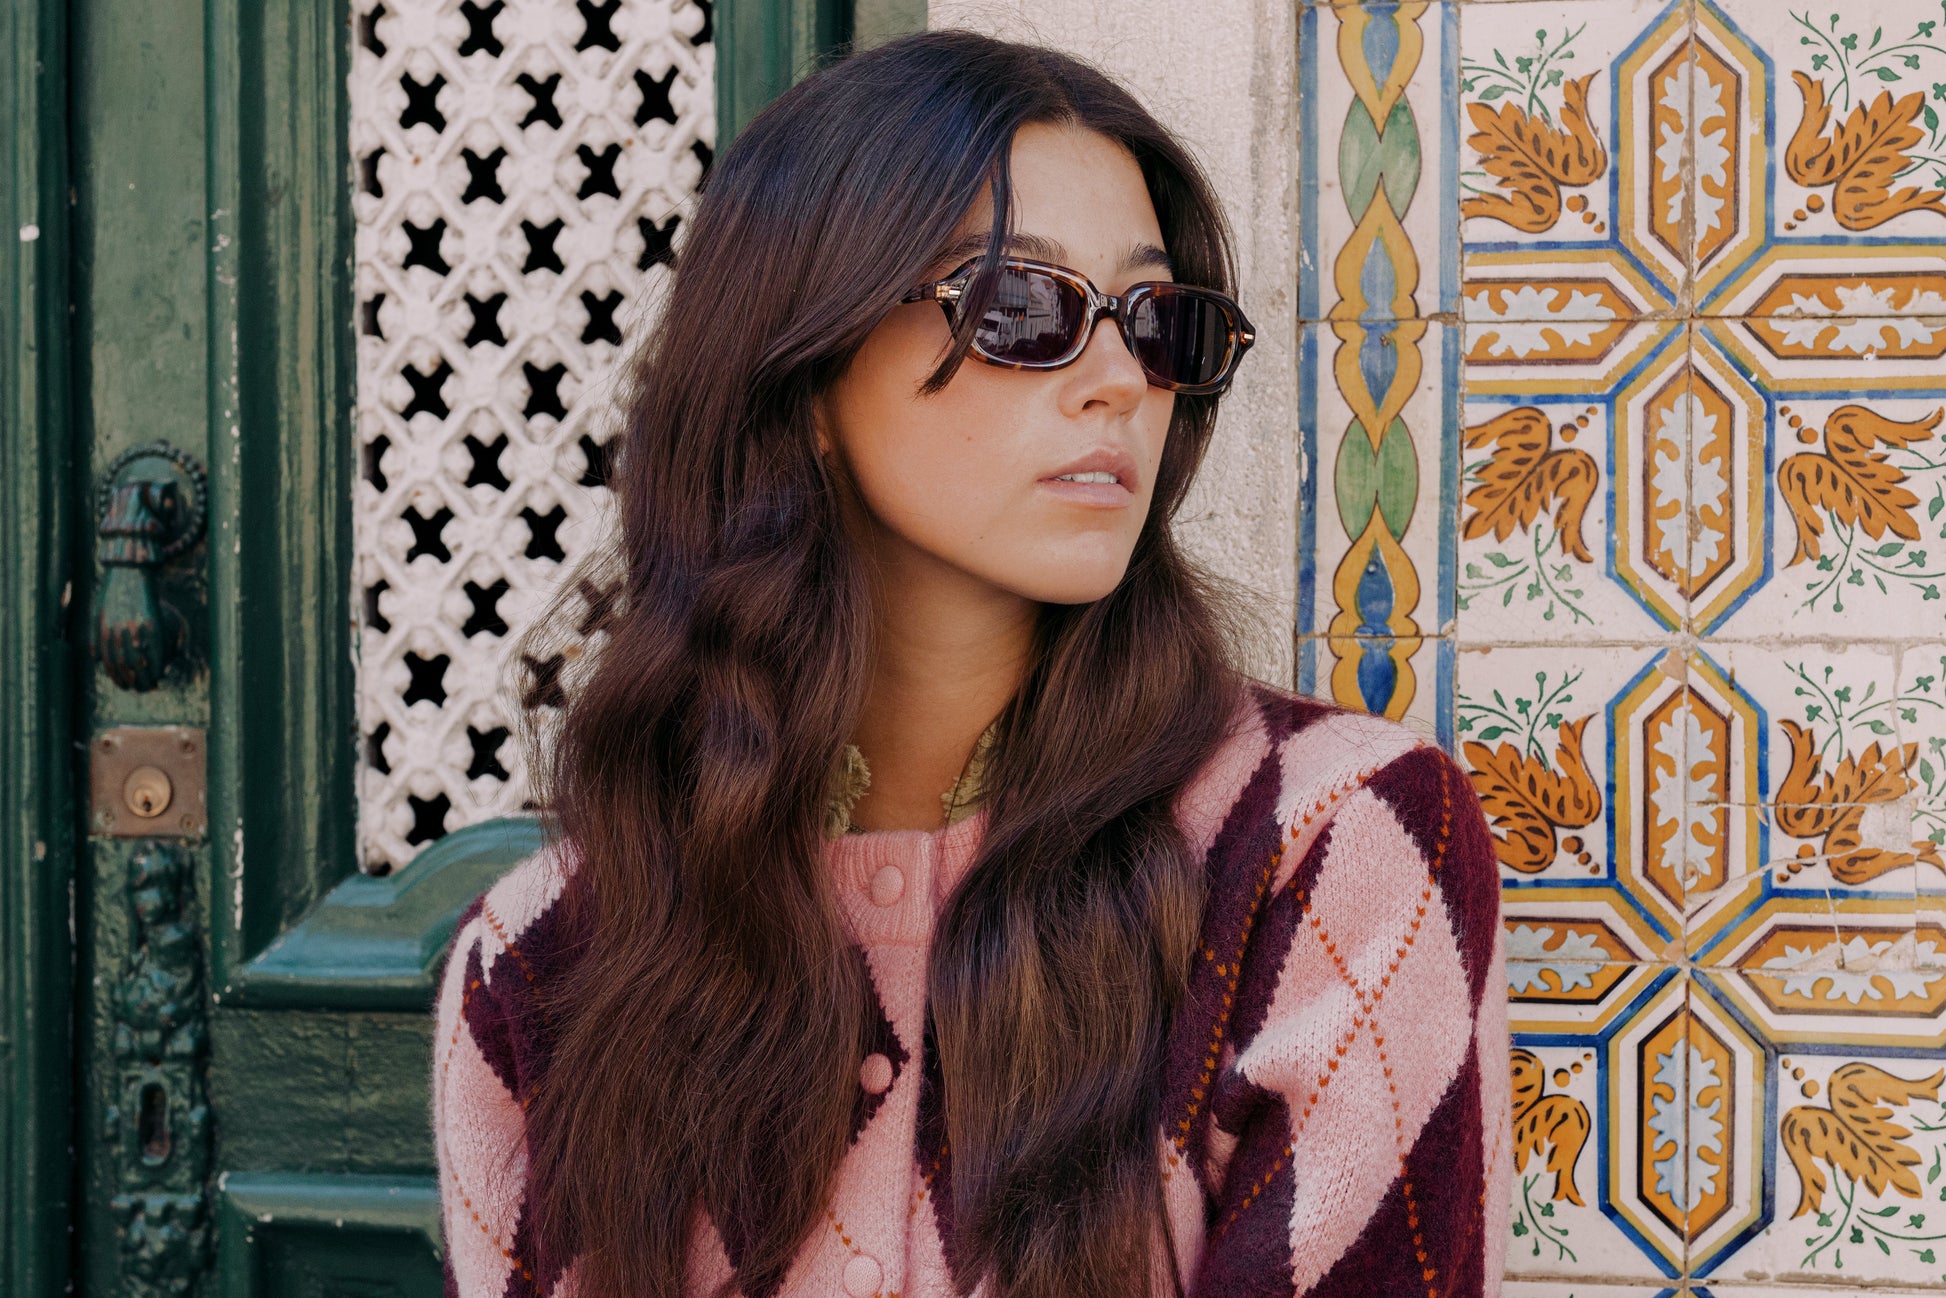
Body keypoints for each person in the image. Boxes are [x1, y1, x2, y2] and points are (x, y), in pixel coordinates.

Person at [432, 27, 1510, 1298]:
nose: (1118, 381)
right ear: (808, 374)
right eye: (1021, 308)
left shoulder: (1330, 848)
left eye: (1157, 322)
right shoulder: (546, 957)